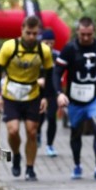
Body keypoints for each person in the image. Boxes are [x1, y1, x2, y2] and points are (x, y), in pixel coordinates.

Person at [55, 17, 96, 180]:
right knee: (76, 133)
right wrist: (59, 93)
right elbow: (56, 73)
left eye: (89, 35)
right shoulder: (69, 49)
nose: (85, 38)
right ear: (77, 32)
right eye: (82, 34)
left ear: (94, 32)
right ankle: (77, 165)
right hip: (75, 100)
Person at [0, 15, 54, 181]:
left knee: (32, 132)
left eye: (35, 33)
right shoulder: (9, 47)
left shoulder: (44, 50)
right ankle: (17, 155)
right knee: (13, 130)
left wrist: (46, 97)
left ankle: (30, 168)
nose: (32, 37)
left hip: (32, 94)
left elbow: (50, 74)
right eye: (29, 33)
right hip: (11, 94)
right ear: (22, 30)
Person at [38, 28, 60, 157]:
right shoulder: (34, 56)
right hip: (38, 92)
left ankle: (50, 145)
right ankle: (37, 133)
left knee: (52, 117)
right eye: (46, 42)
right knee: (39, 117)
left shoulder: (58, 56)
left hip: (52, 92)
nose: (49, 45)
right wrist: (37, 80)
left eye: (51, 43)